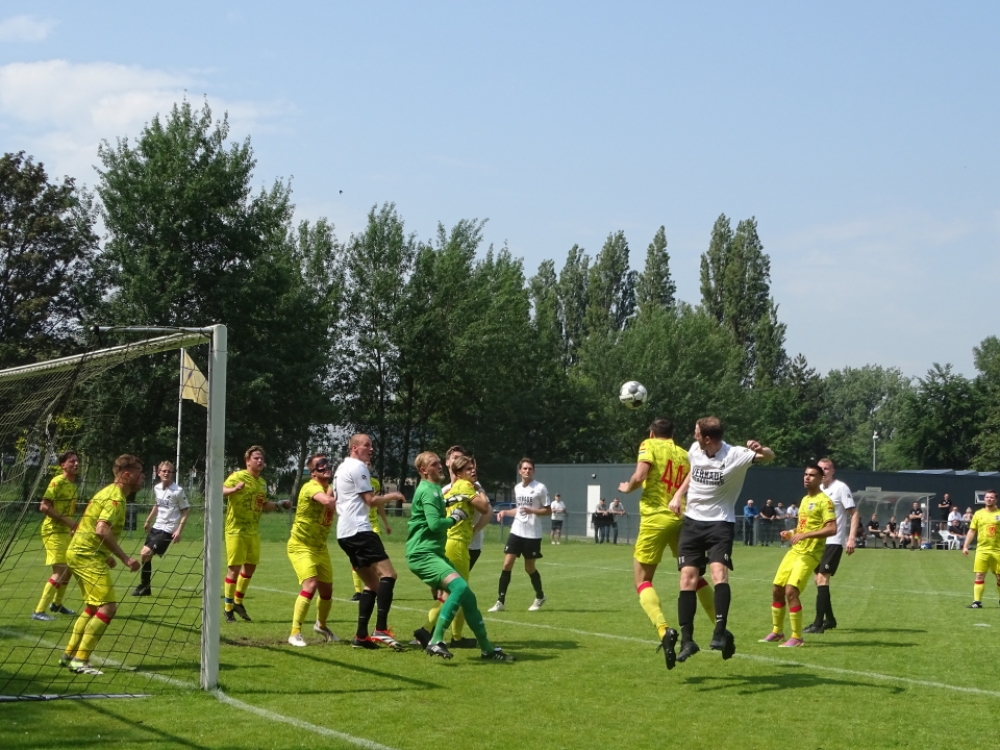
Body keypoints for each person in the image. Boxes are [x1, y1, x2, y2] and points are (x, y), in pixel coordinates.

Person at [668, 416, 774, 664]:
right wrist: (678, 495)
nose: (693, 436)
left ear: (707, 438)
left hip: (719, 523)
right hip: (692, 522)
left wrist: (761, 448)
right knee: (687, 579)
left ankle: (719, 632)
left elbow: (769, 457)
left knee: (718, 574)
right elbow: (692, 474)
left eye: (696, 432)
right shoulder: (695, 449)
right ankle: (687, 640)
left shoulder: (735, 454)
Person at [617, 417, 716, 670]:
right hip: (682, 516)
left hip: (656, 517)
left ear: (651, 434)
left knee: (642, 580)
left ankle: (664, 630)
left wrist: (627, 487)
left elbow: (640, 475)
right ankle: (720, 627)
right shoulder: (684, 453)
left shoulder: (648, 445)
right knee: (693, 575)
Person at [405, 451, 513, 661]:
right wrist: (455, 518)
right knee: (459, 588)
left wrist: (449, 504)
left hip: (436, 550)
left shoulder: (436, 489)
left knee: (467, 597)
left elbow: (436, 511)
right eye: (435, 464)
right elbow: (437, 523)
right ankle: (435, 638)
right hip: (425, 552)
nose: (440, 466)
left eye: (439, 463)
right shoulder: (436, 489)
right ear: (423, 470)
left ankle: (487, 649)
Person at [59, 454, 143, 675]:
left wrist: (106, 554)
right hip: (87, 556)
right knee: (108, 608)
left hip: (80, 552)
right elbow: (101, 529)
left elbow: (90, 526)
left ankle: (69, 655)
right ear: (126, 474)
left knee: (93, 607)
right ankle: (80, 661)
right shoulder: (115, 498)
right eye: (139, 472)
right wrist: (126, 559)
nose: (143, 477)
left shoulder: (109, 493)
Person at [412, 454, 492, 649]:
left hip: (453, 543)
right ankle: (431, 632)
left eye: (473, 468)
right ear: (458, 473)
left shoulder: (454, 488)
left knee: (453, 592)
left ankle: (446, 635)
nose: (472, 471)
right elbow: (485, 507)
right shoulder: (465, 486)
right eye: (467, 469)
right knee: (459, 591)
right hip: (456, 545)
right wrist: (479, 488)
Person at [334, 434, 404, 649]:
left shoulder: (341, 469)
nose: (371, 449)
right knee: (389, 574)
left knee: (372, 584)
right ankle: (381, 629)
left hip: (344, 534)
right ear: (354, 448)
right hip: (360, 530)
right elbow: (370, 501)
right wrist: (393, 497)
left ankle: (361, 636)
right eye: (366, 445)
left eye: (372, 445)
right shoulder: (358, 467)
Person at [759, 463, 837, 648]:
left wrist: (805, 535)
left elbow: (832, 528)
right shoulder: (803, 500)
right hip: (795, 551)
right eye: (805, 474)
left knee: (791, 591)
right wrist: (791, 533)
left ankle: (797, 637)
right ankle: (777, 631)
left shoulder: (824, 501)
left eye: (811, 475)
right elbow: (803, 528)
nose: (807, 477)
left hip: (810, 553)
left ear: (821, 479)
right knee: (777, 588)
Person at [222, 445, 290, 623]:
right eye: (256, 458)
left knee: (250, 567)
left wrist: (279, 504)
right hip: (236, 529)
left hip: (252, 530)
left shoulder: (262, 483)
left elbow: (263, 505)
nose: (260, 461)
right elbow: (220, 491)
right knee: (234, 569)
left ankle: (238, 601)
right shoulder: (237, 476)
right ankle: (228, 608)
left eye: (261, 459)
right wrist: (234, 490)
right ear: (247, 461)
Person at [286, 454, 339, 646]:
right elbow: (327, 501)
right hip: (301, 546)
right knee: (310, 585)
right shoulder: (311, 487)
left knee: (327, 591)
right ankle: (294, 633)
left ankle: (321, 626)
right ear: (313, 472)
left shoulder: (329, 488)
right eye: (320, 465)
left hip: (320, 547)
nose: (326, 467)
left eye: (327, 463)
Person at [803, 458, 859, 634]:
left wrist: (851, 538)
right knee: (818, 580)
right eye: (821, 469)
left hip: (833, 541)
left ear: (832, 471)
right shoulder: (817, 490)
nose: (824, 471)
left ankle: (818, 624)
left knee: (822, 579)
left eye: (827, 468)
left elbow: (854, 513)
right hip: (818, 542)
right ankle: (830, 619)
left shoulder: (840, 488)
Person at [488, 458, 551, 612]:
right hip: (516, 531)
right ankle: (500, 601)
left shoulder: (540, 488)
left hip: (532, 534)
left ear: (533, 471)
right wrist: (505, 512)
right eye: (524, 468)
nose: (527, 471)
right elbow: (519, 509)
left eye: (530, 468)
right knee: (507, 564)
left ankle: (540, 596)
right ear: (520, 471)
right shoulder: (517, 488)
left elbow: (548, 510)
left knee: (529, 568)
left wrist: (533, 511)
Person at [32, 451, 80, 621]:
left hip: (65, 532)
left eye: (77, 461)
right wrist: (69, 523)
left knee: (69, 569)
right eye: (72, 461)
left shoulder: (73, 485)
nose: (76, 464)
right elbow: (44, 507)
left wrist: (72, 527)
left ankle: (57, 604)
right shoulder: (57, 481)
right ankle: (38, 611)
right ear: (63, 465)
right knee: (60, 570)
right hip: (53, 531)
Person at [132, 461, 189, 597]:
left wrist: (179, 531)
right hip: (157, 526)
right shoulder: (157, 488)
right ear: (158, 473)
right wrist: (148, 520)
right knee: (146, 557)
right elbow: (157, 505)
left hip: (168, 529)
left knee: (144, 552)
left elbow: (186, 510)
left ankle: (144, 584)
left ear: (172, 474)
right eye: (163, 471)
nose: (166, 473)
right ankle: (146, 588)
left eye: (169, 471)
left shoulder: (178, 491)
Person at [348, 464, 398, 602]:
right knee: (358, 560)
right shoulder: (353, 481)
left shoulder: (375, 483)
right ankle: (358, 592)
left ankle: (378, 587)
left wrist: (386, 523)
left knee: (376, 559)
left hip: (372, 526)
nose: (367, 465)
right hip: (357, 526)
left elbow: (379, 503)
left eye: (369, 464)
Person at [962, 489, 1000, 609]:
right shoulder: (978, 514)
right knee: (979, 575)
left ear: (996, 499)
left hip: (997, 550)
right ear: (984, 499)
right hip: (982, 550)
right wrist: (965, 546)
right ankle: (977, 602)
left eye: (992, 497)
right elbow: (972, 530)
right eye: (987, 497)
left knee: (999, 576)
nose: (989, 499)